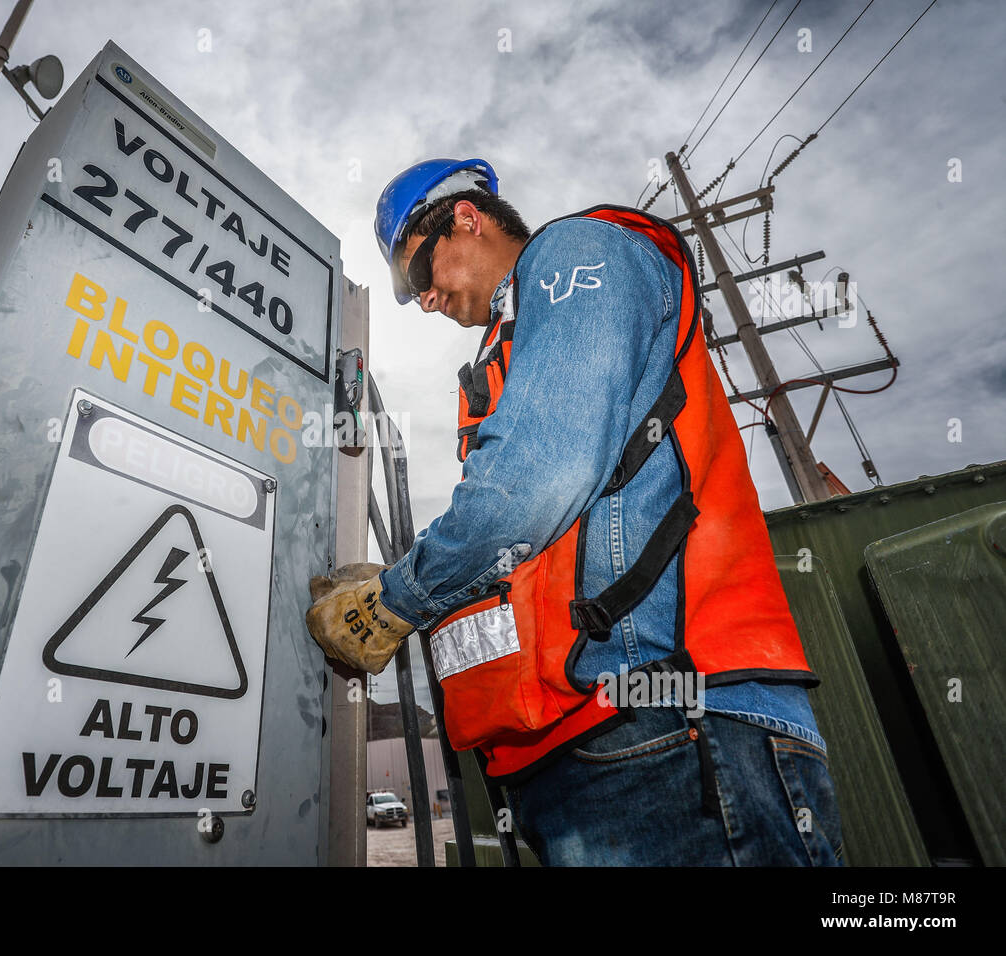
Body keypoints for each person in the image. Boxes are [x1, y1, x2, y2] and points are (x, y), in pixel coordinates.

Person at [305, 158, 843, 866]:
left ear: (466, 217)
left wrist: (396, 598)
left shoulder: (577, 253)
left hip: (665, 725)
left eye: (421, 275)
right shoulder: (511, 345)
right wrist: (407, 581)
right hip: (584, 745)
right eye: (412, 294)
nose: (427, 300)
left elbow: (534, 483)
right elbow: (532, 550)